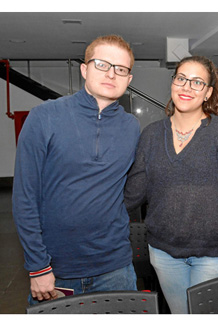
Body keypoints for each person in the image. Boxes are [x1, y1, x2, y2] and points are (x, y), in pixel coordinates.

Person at [13, 35, 140, 305]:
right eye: (102, 64)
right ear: (84, 69)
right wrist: (38, 266)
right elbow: (25, 198)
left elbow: (131, 188)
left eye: (121, 69)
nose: (111, 74)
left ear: (129, 80)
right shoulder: (44, 117)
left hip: (115, 267)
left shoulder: (132, 128)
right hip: (56, 269)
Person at [124, 55, 218, 314]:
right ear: (172, 83)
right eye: (181, 78)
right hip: (163, 253)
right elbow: (132, 195)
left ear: (208, 93)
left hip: (213, 255)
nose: (186, 87)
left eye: (197, 82)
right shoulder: (150, 134)